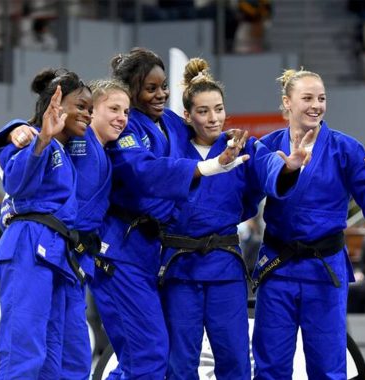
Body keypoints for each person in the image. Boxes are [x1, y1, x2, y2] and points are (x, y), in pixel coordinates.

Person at [89, 47, 247, 379]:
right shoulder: (126, 128)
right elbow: (144, 171)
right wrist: (208, 167)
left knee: (147, 358)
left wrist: (227, 137)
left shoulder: (170, 123)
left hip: (149, 252)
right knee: (148, 355)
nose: (160, 94)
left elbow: (204, 129)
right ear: (132, 90)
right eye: (151, 88)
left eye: (164, 87)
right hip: (121, 250)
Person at [251, 68, 365, 379]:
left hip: (324, 269)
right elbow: (253, 192)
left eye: (321, 98)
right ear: (287, 102)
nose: (316, 105)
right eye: (307, 98)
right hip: (278, 266)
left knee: (328, 364)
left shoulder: (345, 148)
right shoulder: (267, 145)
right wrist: (289, 168)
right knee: (270, 364)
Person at [159, 57, 310, 379]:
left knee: (234, 357)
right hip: (179, 266)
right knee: (179, 361)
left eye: (219, 109)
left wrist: (288, 168)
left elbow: (269, 168)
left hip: (224, 265)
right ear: (187, 115)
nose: (213, 118)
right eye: (203, 111)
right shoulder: (170, 148)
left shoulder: (242, 146)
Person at [0, 76, 133, 378]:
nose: (88, 114)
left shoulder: (69, 152)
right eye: (80, 107)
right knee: (24, 352)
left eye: (90, 108)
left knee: (67, 357)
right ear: (54, 106)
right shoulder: (31, 138)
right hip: (28, 245)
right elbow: (15, 183)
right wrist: (37, 136)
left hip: (60, 254)